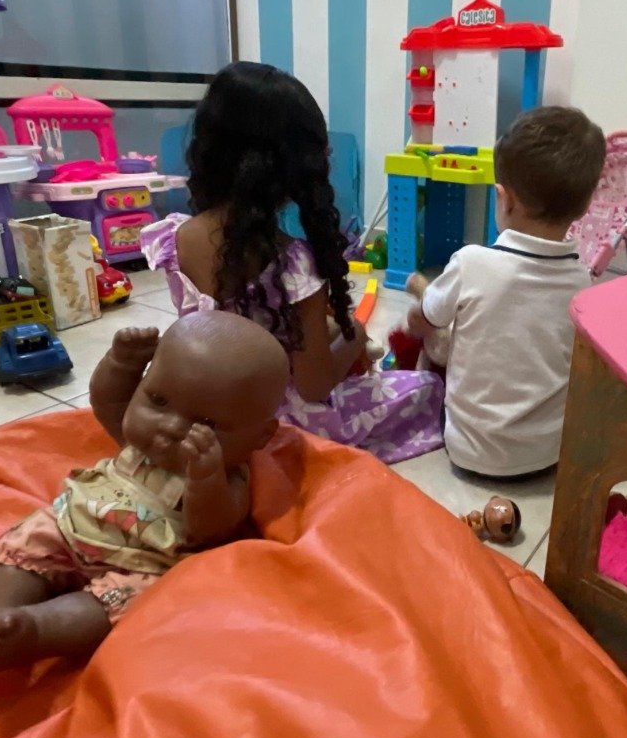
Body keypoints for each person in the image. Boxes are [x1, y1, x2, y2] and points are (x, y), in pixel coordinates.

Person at [0, 312, 289, 672]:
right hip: (71, 525)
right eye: (158, 400)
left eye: (207, 423)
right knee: (24, 541)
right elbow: (107, 403)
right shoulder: (140, 441)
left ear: (260, 436)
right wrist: (121, 364)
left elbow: (210, 529)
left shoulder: (231, 477)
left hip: (143, 565)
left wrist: (205, 476)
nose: (170, 427)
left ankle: (35, 630)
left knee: (125, 603)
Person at [142, 61, 443, 464]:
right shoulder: (292, 262)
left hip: (205, 413)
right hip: (275, 428)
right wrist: (354, 334)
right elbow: (313, 386)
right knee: (424, 387)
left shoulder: (174, 236)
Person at [404, 106, 607, 478]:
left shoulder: (471, 263)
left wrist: (418, 315)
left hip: (468, 450)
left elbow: (426, 318)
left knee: (437, 336)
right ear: (583, 208)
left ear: (504, 198)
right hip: (546, 454)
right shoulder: (581, 282)